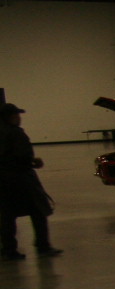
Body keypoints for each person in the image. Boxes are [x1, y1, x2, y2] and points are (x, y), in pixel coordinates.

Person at [0, 103, 61, 260]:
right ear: (9, 117)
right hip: (20, 180)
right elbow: (21, 157)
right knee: (38, 211)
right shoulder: (16, 133)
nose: (18, 118)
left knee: (7, 216)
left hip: (3, 181)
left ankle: (8, 250)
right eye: (16, 115)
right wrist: (33, 162)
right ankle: (43, 246)